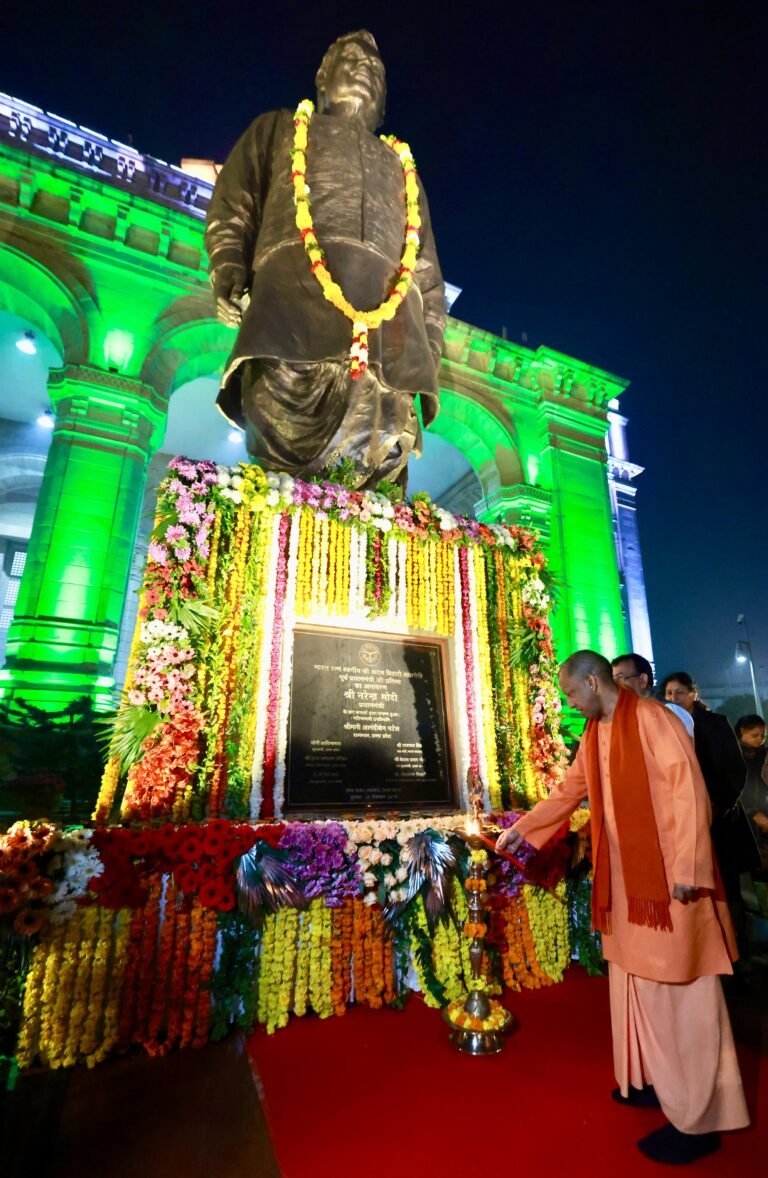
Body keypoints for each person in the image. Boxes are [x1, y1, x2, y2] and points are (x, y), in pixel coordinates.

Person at [497, 650, 748, 1164]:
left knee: (683, 997)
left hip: (672, 888)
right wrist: (519, 836)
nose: (569, 704)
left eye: (571, 694)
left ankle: (701, 1118)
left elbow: (689, 797)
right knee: (635, 984)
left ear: (593, 681)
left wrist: (686, 870)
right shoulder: (595, 733)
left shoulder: (653, 718)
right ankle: (654, 1080)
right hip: (628, 886)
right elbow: (571, 791)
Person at [205, 30, 446, 489]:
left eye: (375, 71)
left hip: (387, 339)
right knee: (281, 443)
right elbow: (234, 205)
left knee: (380, 460)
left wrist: (426, 354)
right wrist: (230, 272)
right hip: (291, 316)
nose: (364, 71)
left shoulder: (402, 169)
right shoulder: (278, 129)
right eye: (352, 61)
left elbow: (427, 275)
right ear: (322, 76)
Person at [661, 672, 747, 903]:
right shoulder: (664, 727)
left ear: (693, 694)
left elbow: (736, 769)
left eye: (679, 692)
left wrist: (718, 804)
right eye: (669, 693)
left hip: (719, 814)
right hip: (685, 818)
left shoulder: (716, 723)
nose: (673, 697)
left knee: (727, 887)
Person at [611, 652, 694, 736]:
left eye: (620, 678)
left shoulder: (669, 710)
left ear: (643, 680)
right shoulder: (622, 715)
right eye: (612, 680)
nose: (615, 685)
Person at [735, 714, 768, 884]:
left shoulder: (765, 755)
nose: (760, 740)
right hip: (741, 815)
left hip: (763, 811)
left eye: (763, 735)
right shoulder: (733, 757)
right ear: (741, 734)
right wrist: (754, 814)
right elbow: (735, 790)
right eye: (754, 735)